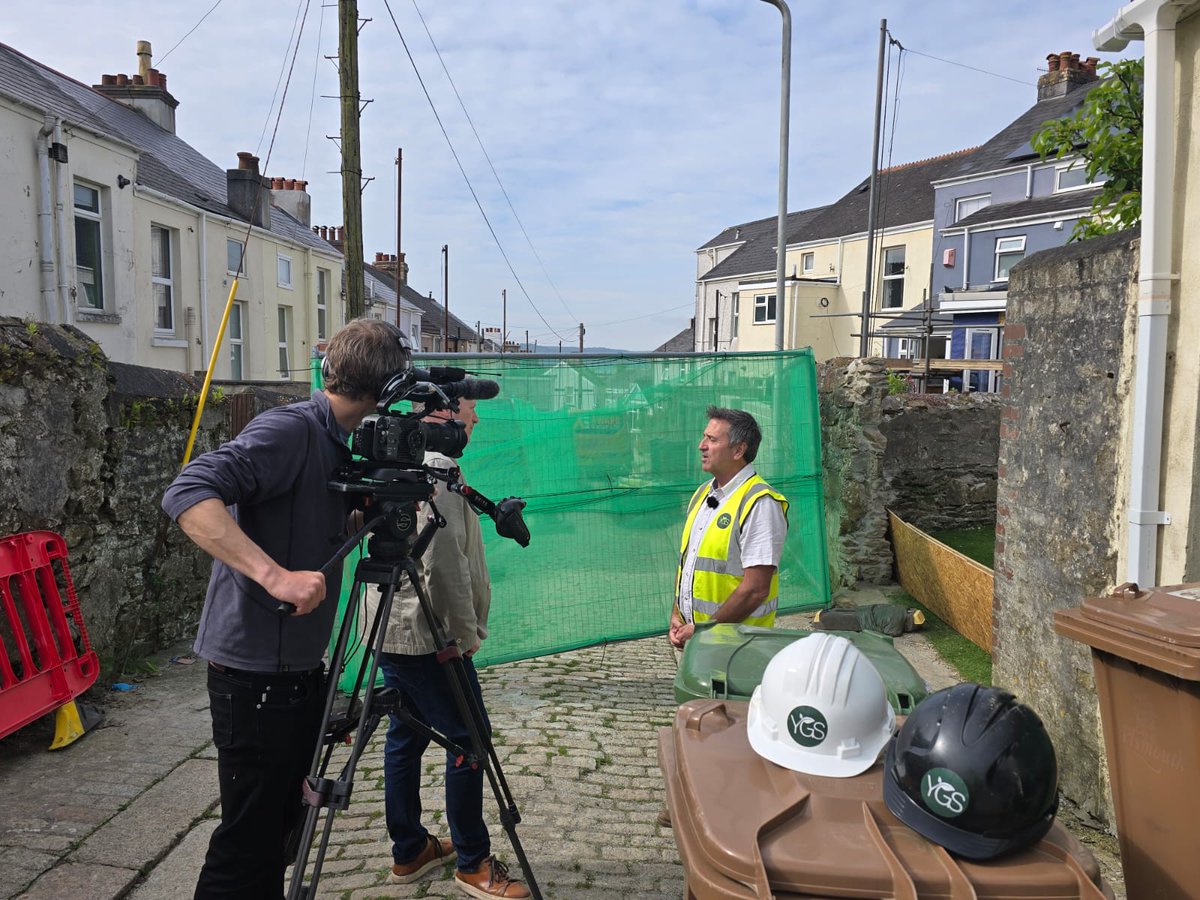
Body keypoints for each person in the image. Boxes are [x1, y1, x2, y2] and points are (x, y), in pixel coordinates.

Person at [161, 318, 412, 899]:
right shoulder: (291, 429)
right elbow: (187, 493)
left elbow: (297, 517)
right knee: (245, 846)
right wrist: (274, 576)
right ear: (387, 391)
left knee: (279, 834)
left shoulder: (337, 441)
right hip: (253, 677)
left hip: (295, 672)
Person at [364, 398, 530, 899]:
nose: (475, 420)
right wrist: (463, 636)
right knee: (468, 741)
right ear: (443, 416)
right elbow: (443, 568)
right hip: (427, 633)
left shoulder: (400, 466)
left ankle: (410, 849)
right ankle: (473, 862)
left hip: (393, 629)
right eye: (469, 410)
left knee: (405, 736)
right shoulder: (435, 470)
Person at [668, 406, 789, 650]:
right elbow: (688, 564)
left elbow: (756, 589)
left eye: (712, 439)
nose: (701, 445)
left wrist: (705, 630)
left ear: (738, 450)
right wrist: (678, 615)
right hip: (701, 644)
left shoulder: (760, 503)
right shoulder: (702, 494)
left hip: (738, 648)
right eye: (704, 437)